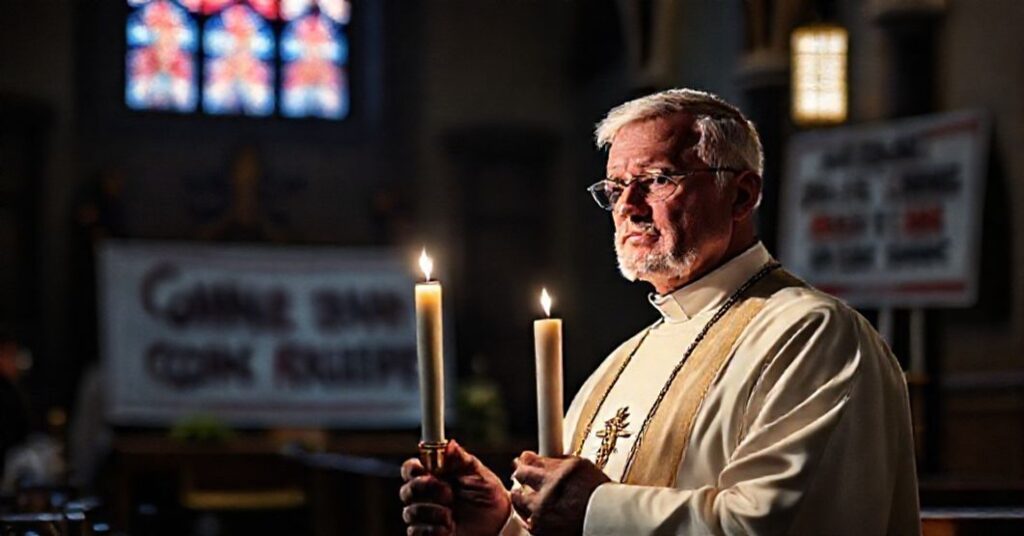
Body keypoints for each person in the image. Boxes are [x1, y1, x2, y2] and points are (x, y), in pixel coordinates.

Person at [399, 88, 920, 535]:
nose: (628, 206)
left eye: (657, 179)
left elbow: (780, 524)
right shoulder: (623, 361)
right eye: (616, 188)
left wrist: (597, 507)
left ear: (740, 195)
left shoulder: (810, 333)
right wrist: (501, 524)